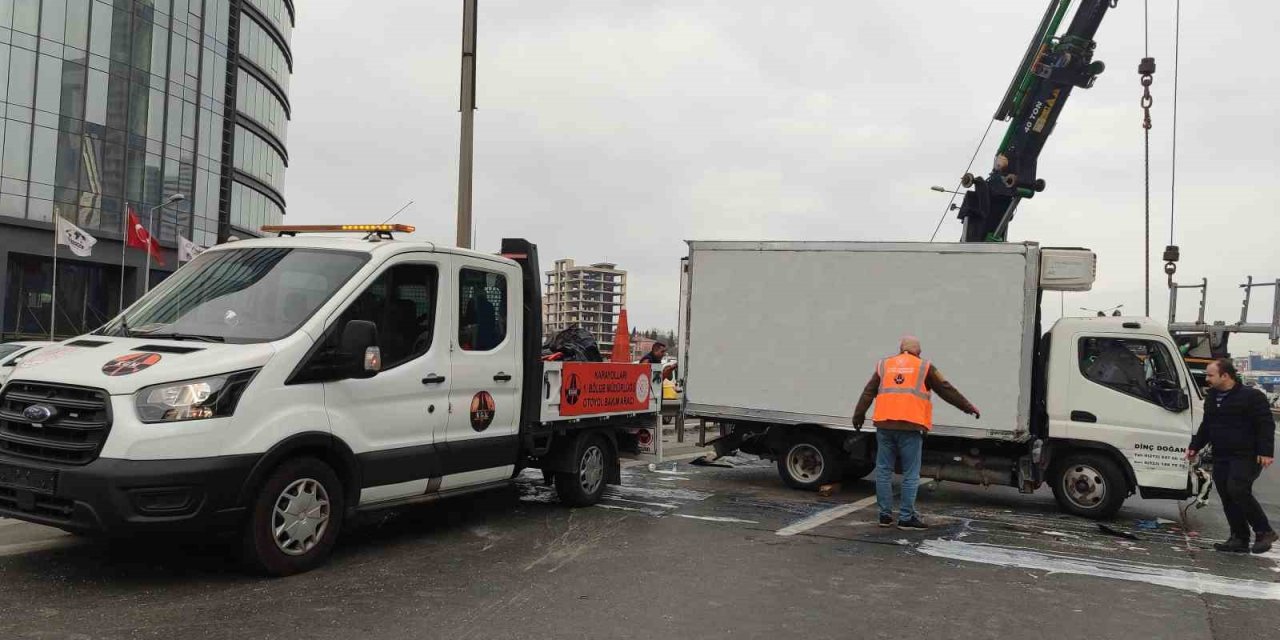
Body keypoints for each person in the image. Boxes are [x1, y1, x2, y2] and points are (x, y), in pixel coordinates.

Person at [852, 336, 980, 530]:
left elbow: (868, 392)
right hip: (910, 429)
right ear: (918, 352)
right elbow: (946, 390)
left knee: (884, 471)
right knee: (910, 474)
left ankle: (884, 516)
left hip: (885, 427)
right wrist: (968, 407)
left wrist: (858, 415)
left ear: (900, 349)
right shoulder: (924, 366)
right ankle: (905, 518)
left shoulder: (885, 365)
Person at [1186, 358, 1276, 554]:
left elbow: (1265, 425)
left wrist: (1266, 451)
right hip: (1221, 454)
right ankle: (1239, 538)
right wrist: (1195, 447)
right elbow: (1207, 425)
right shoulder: (1212, 397)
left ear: (1225, 375)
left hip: (1247, 455)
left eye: (1211, 375)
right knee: (1226, 494)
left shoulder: (1251, 396)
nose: (1207, 379)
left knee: (1237, 488)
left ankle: (1264, 531)